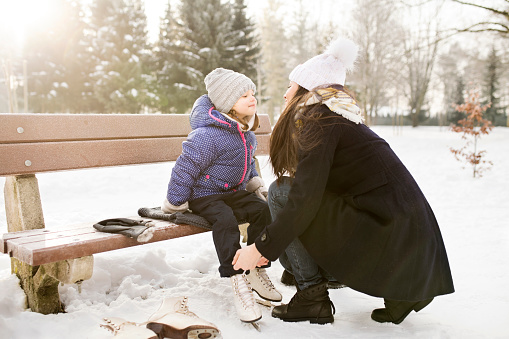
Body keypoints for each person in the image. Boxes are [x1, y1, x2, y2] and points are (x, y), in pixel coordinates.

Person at [232, 38, 455, 325]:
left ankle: (312, 296)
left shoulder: (320, 120)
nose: (286, 95)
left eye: (291, 86)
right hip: (406, 244)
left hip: (391, 238)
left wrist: (260, 247)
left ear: (306, 89)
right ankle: (402, 294)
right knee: (289, 237)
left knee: (280, 193)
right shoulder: (339, 116)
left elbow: (305, 198)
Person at [162, 68, 282, 324]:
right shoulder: (207, 136)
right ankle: (236, 276)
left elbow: (246, 164)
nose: (252, 99)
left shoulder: (245, 134)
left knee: (262, 209)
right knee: (225, 221)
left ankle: (256, 268)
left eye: (253, 94)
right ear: (228, 105)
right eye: (244, 96)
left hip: (232, 192)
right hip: (205, 195)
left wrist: (254, 184)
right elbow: (185, 167)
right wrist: (175, 200)